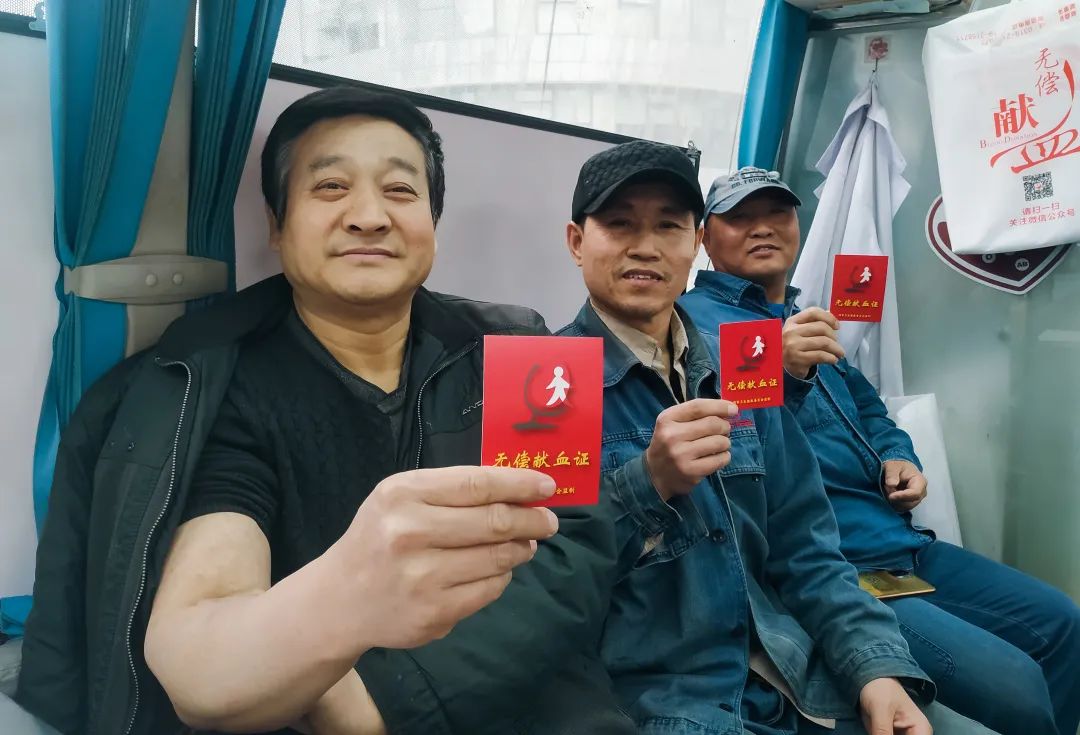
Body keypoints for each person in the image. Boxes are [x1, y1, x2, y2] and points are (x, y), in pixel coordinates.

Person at [16, 87, 623, 735]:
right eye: (331, 187)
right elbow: (200, 660)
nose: (369, 216)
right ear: (276, 225)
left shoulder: (523, 347)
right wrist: (347, 591)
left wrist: (377, 699)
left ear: (432, 223)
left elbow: (575, 547)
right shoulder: (214, 386)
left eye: (400, 190)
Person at [556, 141, 996, 735]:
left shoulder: (742, 373)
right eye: (619, 223)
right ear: (576, 241)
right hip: (660, 704)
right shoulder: (547, 385)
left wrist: (873, 668)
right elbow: (543, 584)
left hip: (791, 673)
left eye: (668, 225)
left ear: (694, 245)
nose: (646, 246)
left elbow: (806, 547)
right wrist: (647, 484)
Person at [680, 166, 1080, 735]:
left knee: (1063, 625)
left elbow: (867, 407)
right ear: (704, 238)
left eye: (776, 213)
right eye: (740, 217)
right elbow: (723, 445)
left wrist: (898, 455)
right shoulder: (694, 327)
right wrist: (776, 371)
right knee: (1016, 688)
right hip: (834, 566)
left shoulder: (801, 316)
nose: (761, 227)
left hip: (903, 543)